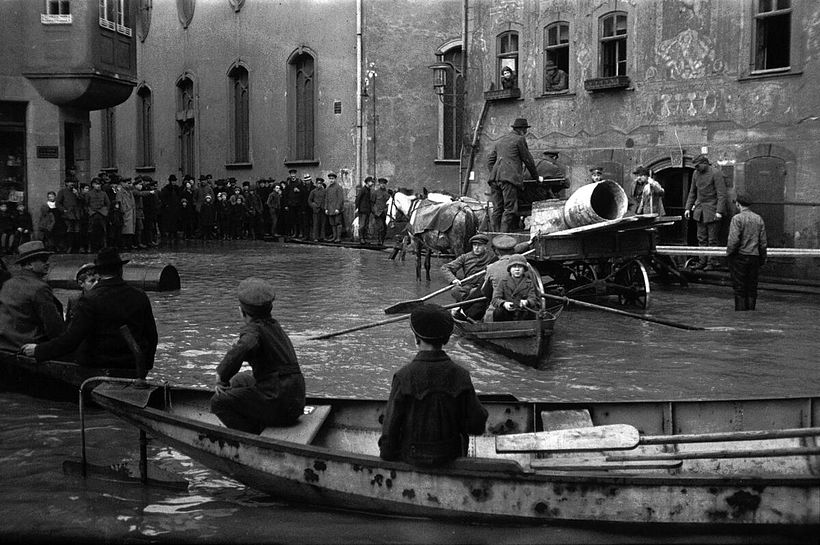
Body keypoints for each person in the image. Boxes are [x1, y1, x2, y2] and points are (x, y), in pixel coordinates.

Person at [378, 303, 488, 466]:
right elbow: (477, 425)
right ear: (447, 338)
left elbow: (389, 433)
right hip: (451, 457)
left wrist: (388, 455)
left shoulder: (403, 376)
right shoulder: (460, 375)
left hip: (412, 457)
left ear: (416, 338)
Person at [23, 248, 158, 374]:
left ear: (98, 273)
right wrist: (145, 365)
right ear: (120, 270)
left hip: (98, 366)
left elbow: (71, 340)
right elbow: (152, 336)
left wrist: (38, 350)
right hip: (132, 365)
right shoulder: (140, 296)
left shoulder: (90, 299)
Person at [210, 277, 306, 434]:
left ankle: (253, 434)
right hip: (295, 400)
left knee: (218, 402)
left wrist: (221, 375)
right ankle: (257, 417)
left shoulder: (253, 331)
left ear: (242, 312)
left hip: (280, 404)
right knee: (239, 380)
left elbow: (243, 348)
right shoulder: (274, 326)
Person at [0, 241, 65, 352]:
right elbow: (53, 327)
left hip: (5, 346)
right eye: (43, 260)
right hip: (28, 348)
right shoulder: (40, 287)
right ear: (29, 265)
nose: (48, 263)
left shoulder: (8, 283)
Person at [487, 118, 540, 232]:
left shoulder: (500, 141)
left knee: (497, 209)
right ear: (522, 130)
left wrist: (497, 173)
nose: (525, 133)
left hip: (494, 180)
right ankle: (502, 239)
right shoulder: (519, 140)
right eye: (525, 130)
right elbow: (528, 160)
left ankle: (494, 235)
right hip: (508, 180)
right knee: (510, 209)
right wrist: (536, 177)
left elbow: (490, 161)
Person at [684, 154, 728, 271]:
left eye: (698, 166)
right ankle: (702, 261)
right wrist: (688, 208)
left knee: (712, 239)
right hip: (700, 211)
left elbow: (722, 194)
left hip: (713, 210)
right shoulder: (695, 174)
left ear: (704, 163)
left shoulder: (715, 173)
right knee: (701, 238)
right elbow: (692, 192)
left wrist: (719, 211)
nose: (696, 168)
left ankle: (711, 262)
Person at [440, 233, 496, 320]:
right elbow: (445, 268)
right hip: (468, 286)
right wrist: (453, 280)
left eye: (479, 245)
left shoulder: (492, 257)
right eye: (474, 245)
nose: (476, 248)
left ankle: (463, 309)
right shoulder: (465, 257)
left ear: (485, 246)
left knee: (477, 292)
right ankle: (465, 309)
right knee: (455, 290)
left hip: (483, 286)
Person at [726, 193, 767, 311]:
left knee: (740, 288)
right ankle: (751, 314)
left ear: (738, 204)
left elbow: (733, 240)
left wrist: (729, 254)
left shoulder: (737, 219)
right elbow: (763, 242)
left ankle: (741, 316)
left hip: (740, 257)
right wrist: (762, 258)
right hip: (754, 257)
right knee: (752, 288)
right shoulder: (758, 219)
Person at [480, 234, 518, 320]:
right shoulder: (527, 265)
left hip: (499, 308)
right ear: (514, 250)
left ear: (497, 251)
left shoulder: (491, 267)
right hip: (523, 307)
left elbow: (485, 292)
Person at [491, 254, 539, 322]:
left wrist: (527, 302)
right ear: (509, 269)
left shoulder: (529, 282)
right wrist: (504, 303)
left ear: (524, 269)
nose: (517, 269)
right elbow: (495, 299)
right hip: (507, 312)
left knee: (533, 311)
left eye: (520, 267)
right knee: (498, 312)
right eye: (514, 267)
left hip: (523, 312)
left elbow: (533, 299)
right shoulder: (503, 282)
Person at [323, 172, 345, 243]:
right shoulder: (328, 188)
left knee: (338, 223)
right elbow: (326, 199)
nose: (331, 180)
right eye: (330, 179)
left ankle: (338, 238)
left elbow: (340, 199)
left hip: (336, 209)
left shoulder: (338, 187)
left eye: (332, 179)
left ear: (335, 179)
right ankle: (334, 237)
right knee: (332, 223)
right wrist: (326, 208)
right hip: (330, 209)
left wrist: (338, 208)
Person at [370, 177, 390, 246]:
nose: (383, 185)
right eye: (381, 184)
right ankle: (379, 241)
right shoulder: (375, 193)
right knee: (380, 227)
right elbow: (372, 203)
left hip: (385, 213)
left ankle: (382, 240)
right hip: (378, 213)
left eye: (384, 184)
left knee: (385, 228)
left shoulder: (387, 193)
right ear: (379, 184)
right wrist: (374, 211)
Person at [355, 177, 374, 243]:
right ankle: (361, 238)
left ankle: (365, 238)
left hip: (367, 211)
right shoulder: (363, 189)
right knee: (362, 225)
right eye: (371, 182)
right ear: (367, 182)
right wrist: (357, 208)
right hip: (362, 210)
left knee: (366, 225)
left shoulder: (369, 190)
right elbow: (358, 199)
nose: (372, 183)